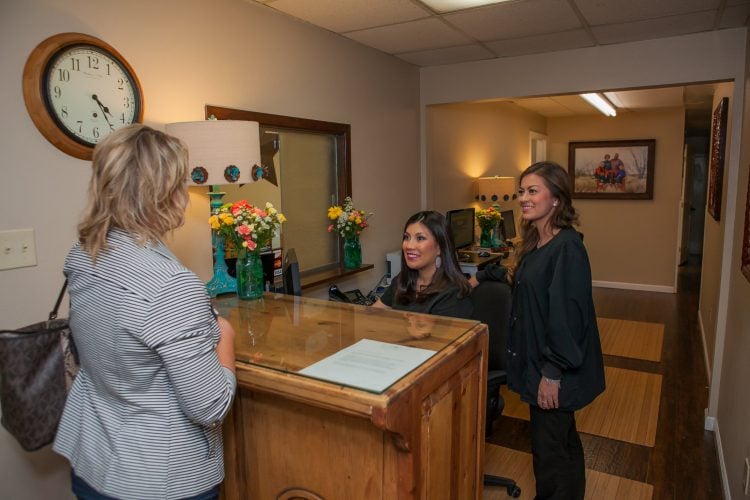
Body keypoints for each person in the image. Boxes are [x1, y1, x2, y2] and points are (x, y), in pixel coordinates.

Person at [53, 125, 237, 500]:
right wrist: (225, 335)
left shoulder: (84, 256)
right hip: (158, 479)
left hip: (93, 459)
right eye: (181, 183)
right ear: (164, 194)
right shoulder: (171, 285)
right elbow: (211, 406)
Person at [469, 161, 605, 499]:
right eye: (522, 191)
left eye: (533, 191)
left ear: (556, 199)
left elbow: (568, 318)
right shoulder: (538, 240)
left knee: (550, 455)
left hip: (555, 370)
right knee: (562, 443)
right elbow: (518, 275)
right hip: (539, 362)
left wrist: (552, 373)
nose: (523, 198)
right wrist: (480, 277)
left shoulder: (567, 248)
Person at [372, 210, 472, 318]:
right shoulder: (402, 281)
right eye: (406, 237)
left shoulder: (453, 294)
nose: (409, 246)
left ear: (440, 248)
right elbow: (370, 314)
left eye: (420, 238)